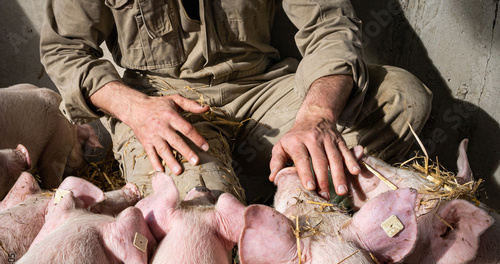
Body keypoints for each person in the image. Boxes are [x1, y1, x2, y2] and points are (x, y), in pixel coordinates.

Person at [40, 0, 432, 203]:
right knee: (199, 209)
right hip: (163, 106)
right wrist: (135, 110)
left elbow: (330, 25)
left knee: (404, 97)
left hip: (262, 88)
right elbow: (64, 51)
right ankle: (234, 187)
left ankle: (282, 190)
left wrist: (317, 114)